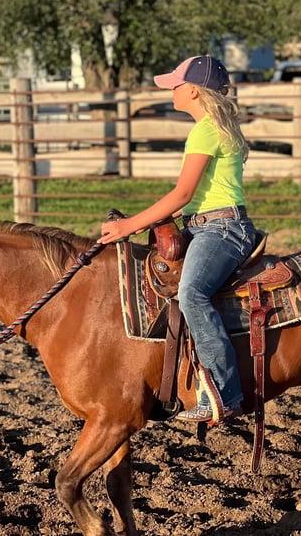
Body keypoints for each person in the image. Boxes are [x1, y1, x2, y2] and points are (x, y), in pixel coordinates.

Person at [98, 55, 257, 423]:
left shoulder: (205, 131)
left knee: (191, 293)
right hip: (205, 225)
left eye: (175, 84)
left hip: (220, 229)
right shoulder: (213, 126)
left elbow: (182, 194)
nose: (171, 89)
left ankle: (224, 393)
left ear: (194, 91)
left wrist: (129, 226)